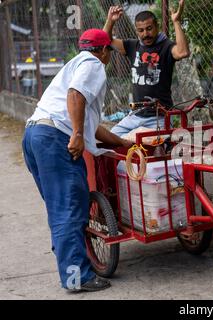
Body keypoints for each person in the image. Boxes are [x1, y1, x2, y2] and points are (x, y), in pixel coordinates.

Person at [22, 29, 132, 292]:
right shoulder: (93, 65)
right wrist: (77, 135)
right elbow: (75, 96)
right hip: (54, 140)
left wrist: (122, 142)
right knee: (70, 208)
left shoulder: (75, 64)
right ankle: (77, 278)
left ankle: (67, 254)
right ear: (104, 51)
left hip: (35, 135)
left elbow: (87, 121)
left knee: (61, 206)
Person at [103, 1, 190, 136]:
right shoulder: (132, 46)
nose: (145, 34)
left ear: (157, 26)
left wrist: (176, 22)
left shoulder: (166, 46)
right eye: (141, 30)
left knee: (153, 149)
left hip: (159, 117)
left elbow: (183, 52)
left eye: (149, 28)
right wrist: (110, 21)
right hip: (135, 115)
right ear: (137, 30)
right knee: (110, 140)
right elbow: (106, 40)